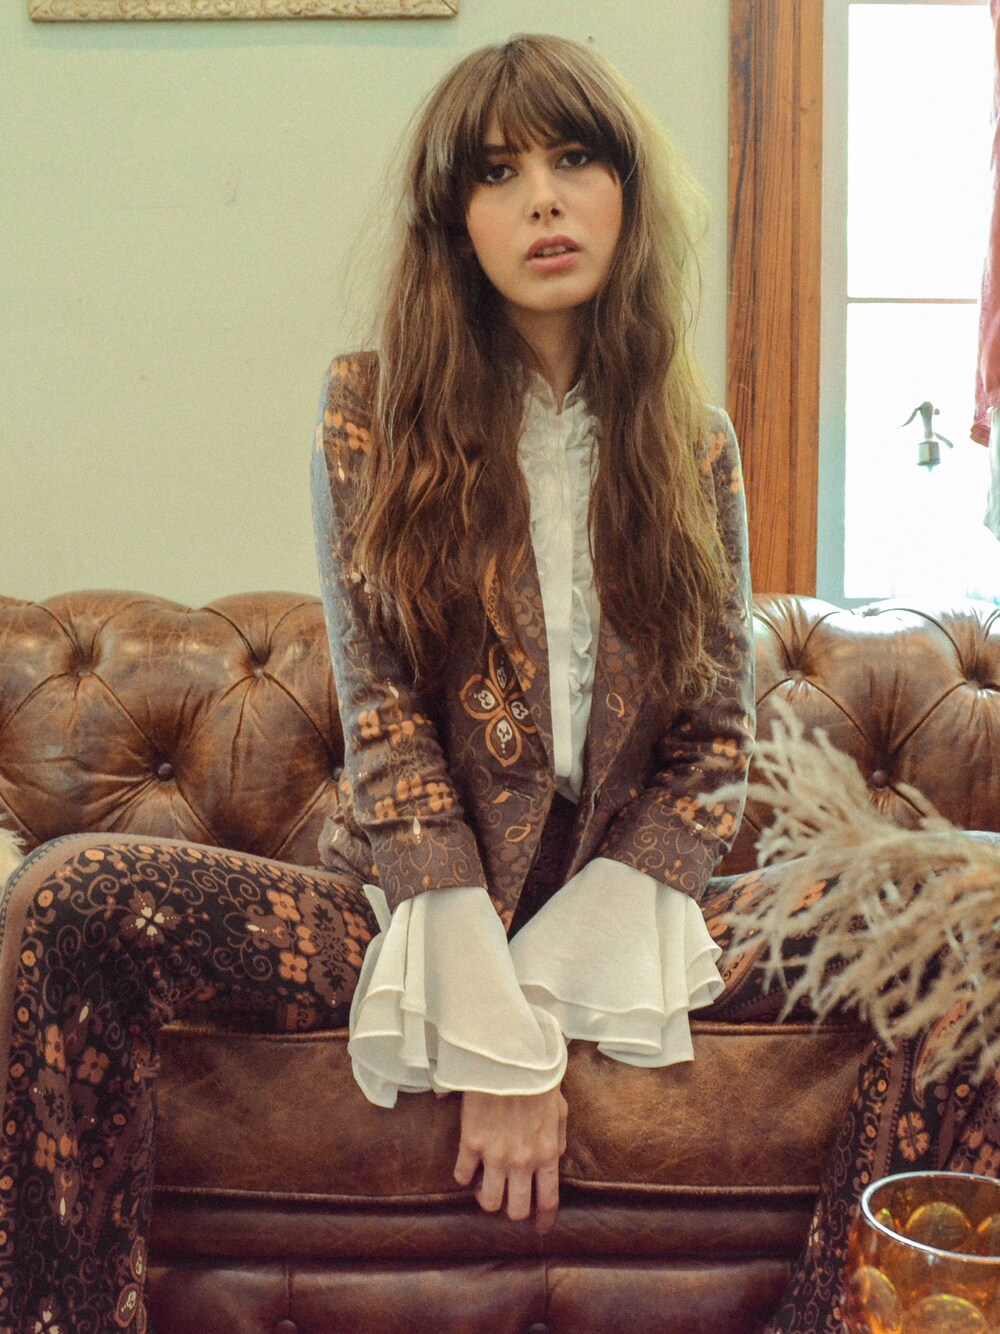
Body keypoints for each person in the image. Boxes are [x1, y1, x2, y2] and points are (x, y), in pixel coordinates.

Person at [0, 32, 997, 1334]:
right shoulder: (369, 410)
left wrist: (539, 1001)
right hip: (413, 908)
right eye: (497, 171)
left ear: (625, 188)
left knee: (976, 905)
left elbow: (711, 752)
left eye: (575, 158)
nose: (542, 199)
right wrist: (492, 1033)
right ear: (452, 217)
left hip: (634, 911)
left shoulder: (693, 444)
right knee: (72, 892)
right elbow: (388, 729)